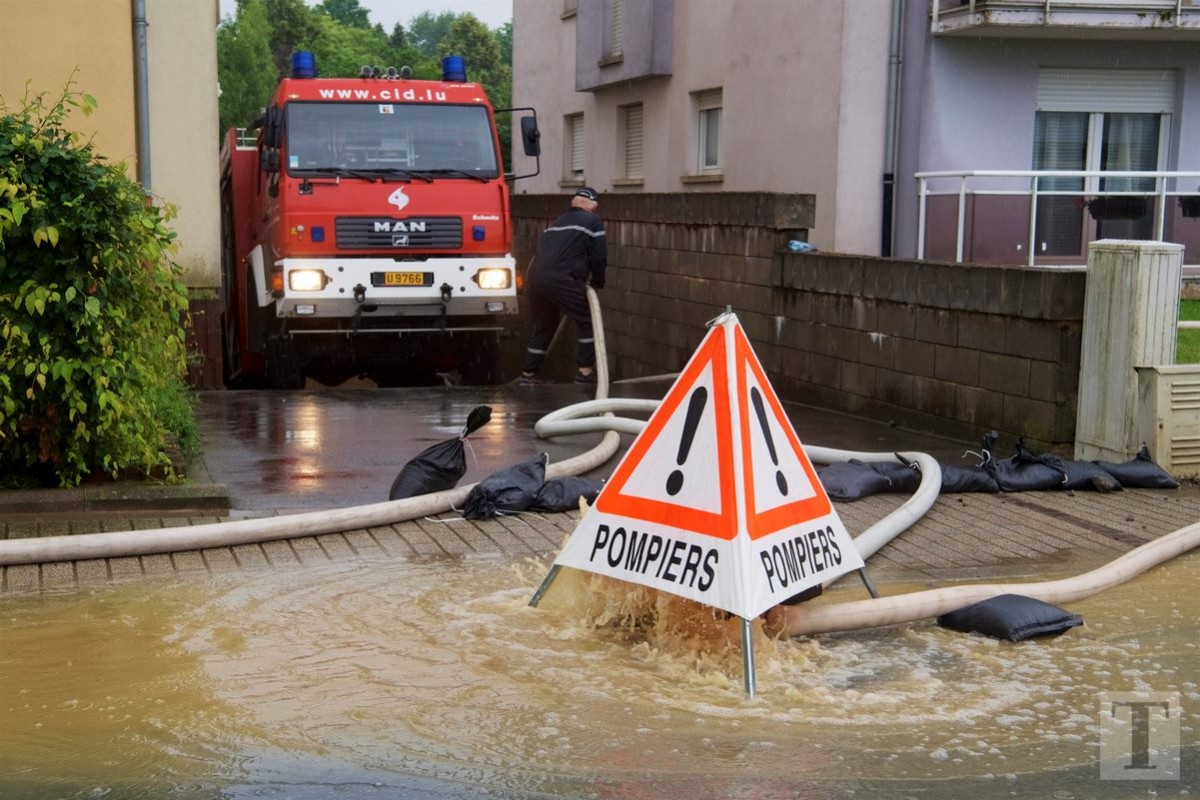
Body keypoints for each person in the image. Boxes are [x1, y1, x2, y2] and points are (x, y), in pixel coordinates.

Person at [517, 187, 607, 385]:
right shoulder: (593, 222)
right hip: (562, 279)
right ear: (594, 206)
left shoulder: (555, 224)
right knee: (586, 319)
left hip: (535, 278)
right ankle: (585, 372)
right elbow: (598, 256)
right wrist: (597, 282)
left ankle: (528, 374)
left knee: (543, 325)